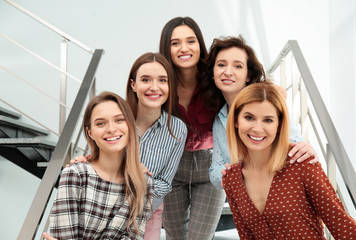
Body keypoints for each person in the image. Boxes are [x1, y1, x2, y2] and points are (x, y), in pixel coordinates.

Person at [223, 81, 356, 239]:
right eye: (249, 117)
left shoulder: (301, 164)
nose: (257, 128)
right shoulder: (231, 179)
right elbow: (246, 237)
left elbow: (345, 230)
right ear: (236, 121)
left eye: (268, 120)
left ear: (279, 125)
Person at [206, 35, 318, 190]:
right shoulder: (220, 119)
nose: (228, 72)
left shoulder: (269, 102)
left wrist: (307, 149)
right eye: (221, 65)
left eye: (238, 66)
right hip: (249, 201)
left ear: (248, 75)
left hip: (282, 194)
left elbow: (296, 145)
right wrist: (235, 176)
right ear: (212, 73)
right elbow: (215, 171)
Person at [45, 92, 154, 239]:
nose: (111, 129)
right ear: (90, 133)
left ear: (130, 125)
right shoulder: (75, 174)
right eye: (100, 123)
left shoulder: (144, 183)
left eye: (119, 120)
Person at [159, 17, 225, 240]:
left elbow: (249, 93)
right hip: (170, 166)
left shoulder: (216, 77)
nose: (184, 48)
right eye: (175, 43)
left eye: (191, 41)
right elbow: (132, 120)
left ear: (200, 45)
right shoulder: (159, 82)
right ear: (167, 48)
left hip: (211, 166)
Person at [126, 52, 187, 239]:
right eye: (146, 80)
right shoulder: (118, 121)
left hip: (149, 215)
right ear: (133, 85)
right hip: (106, 209)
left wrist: (135, 180)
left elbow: (164, 184)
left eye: (162, 80)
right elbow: (98, 169)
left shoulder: (177, 129)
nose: (154, 87)